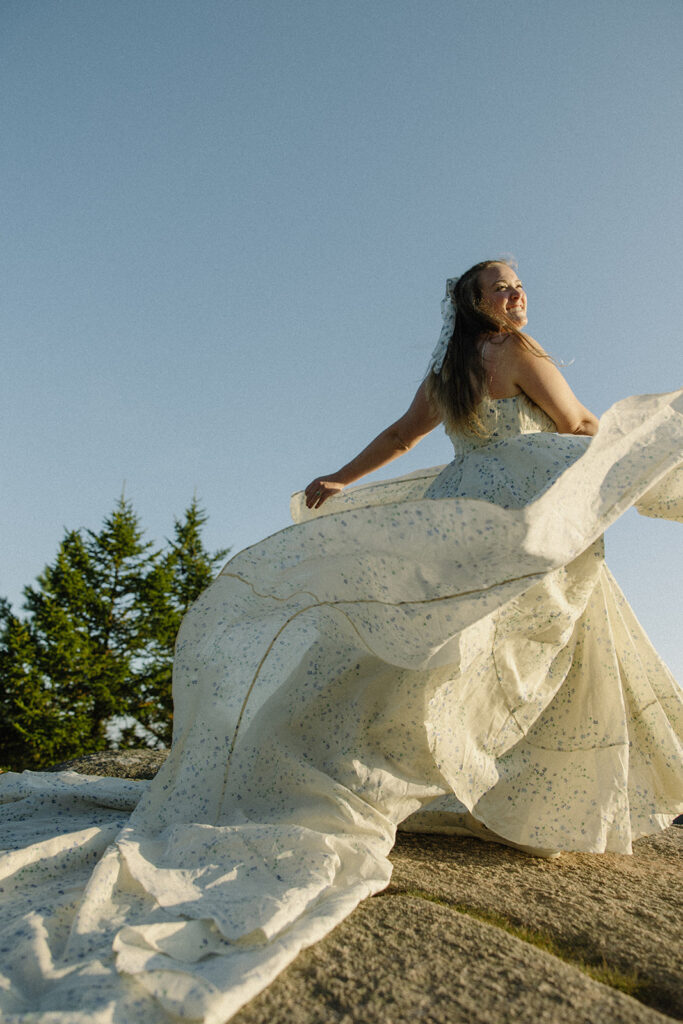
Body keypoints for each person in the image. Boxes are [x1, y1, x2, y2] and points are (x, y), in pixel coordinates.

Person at [1, 259, 681, 1023]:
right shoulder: (522, 354)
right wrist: (637, 457)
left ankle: (373, 764)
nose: (517, 295)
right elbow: (580, 427)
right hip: (520, 516)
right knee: (534, 646)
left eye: (520, 284)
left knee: (429, 646)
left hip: (458, 513)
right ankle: (529, 797)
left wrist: (341, 478)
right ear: (473, 301)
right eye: (502, 286)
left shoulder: (448, 371)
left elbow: (398, 436)